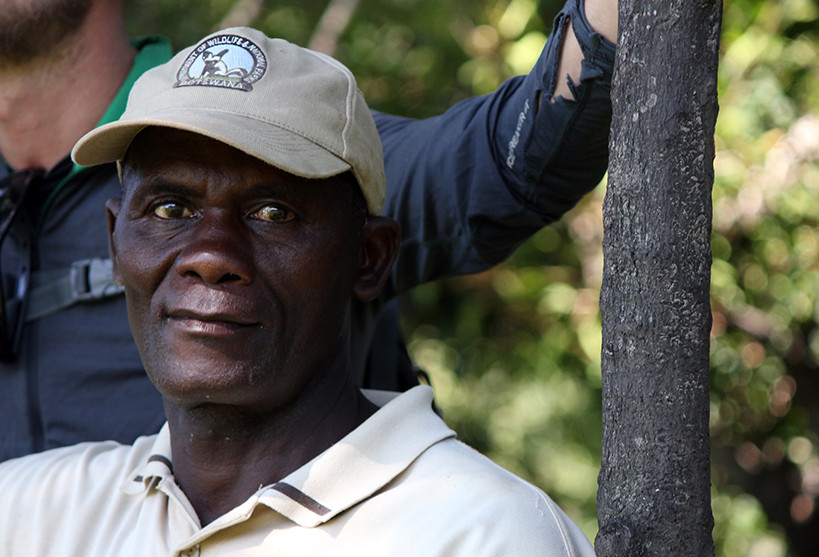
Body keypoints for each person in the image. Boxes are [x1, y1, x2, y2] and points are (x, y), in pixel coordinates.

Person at [0, 29, 595, 556]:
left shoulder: (484, 534)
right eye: (171, 207)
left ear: (369, 258)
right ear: (114, 239)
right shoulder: (28, 514)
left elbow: (512, 156)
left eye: (272, 213)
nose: (210, 256)